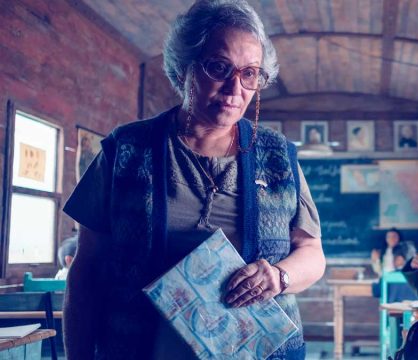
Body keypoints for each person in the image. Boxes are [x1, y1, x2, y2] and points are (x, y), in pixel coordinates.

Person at [62, 1, 325, 359]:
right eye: (219, 67)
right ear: (184, 67)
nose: (236, 89)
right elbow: (87, 269)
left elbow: (311, 253)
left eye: (250, 74)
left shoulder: (278, 156)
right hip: (140, 349)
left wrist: (279, 277)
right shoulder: (125, 150)